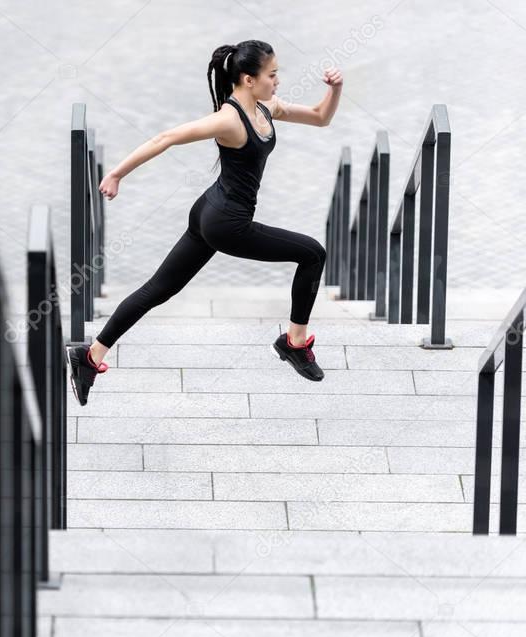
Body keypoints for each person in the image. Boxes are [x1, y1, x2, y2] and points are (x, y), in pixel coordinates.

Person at [67, 40, 343, 406]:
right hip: (227, 224)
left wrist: (335, 89)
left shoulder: (267, 107)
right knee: (313, 254)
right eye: (272, 74)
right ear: (248, 79)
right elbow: (165, 138)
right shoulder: (228, 120)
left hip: (208, 211)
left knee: (159, 289)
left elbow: (321, 117)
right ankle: (294, 343)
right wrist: (117, 173)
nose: (277, 81)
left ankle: (91, 356)